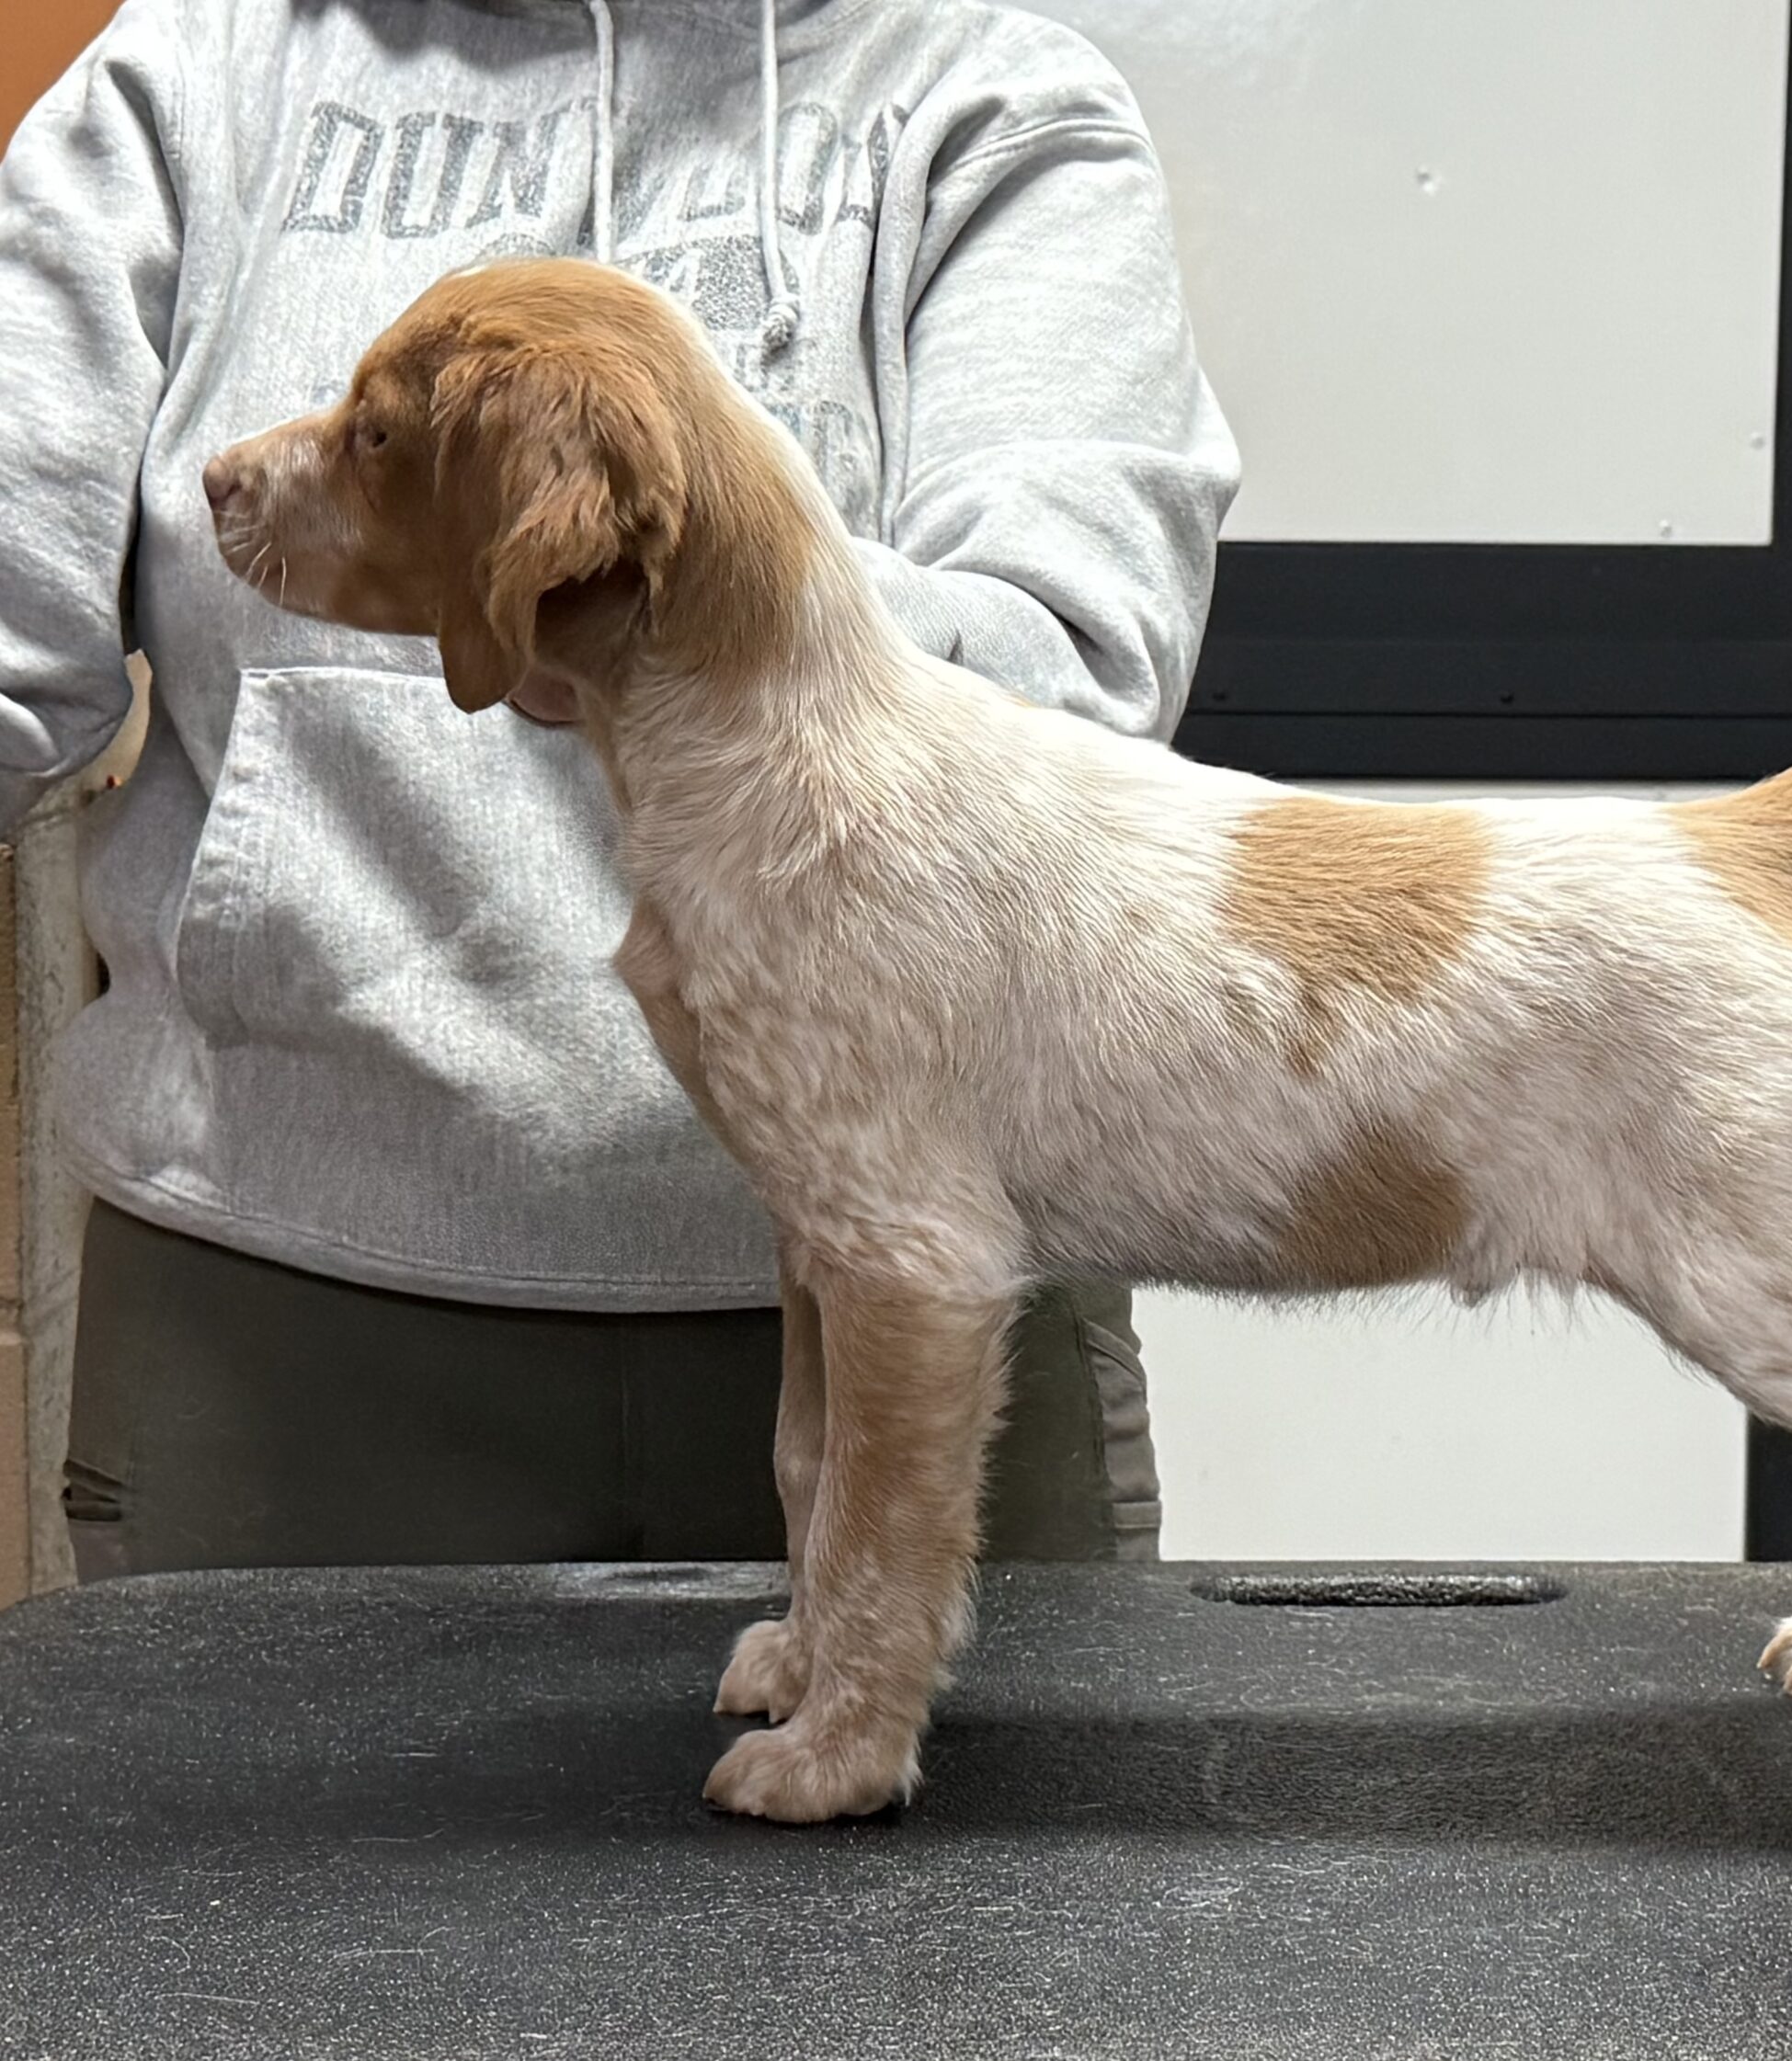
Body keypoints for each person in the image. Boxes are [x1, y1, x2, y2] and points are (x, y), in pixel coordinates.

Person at [0, 0, 1238, 1577]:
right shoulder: (194, 78)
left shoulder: (987, 98)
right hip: (286, 1337)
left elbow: (1068, 680)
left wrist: (587, 563)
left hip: (925, 1292)